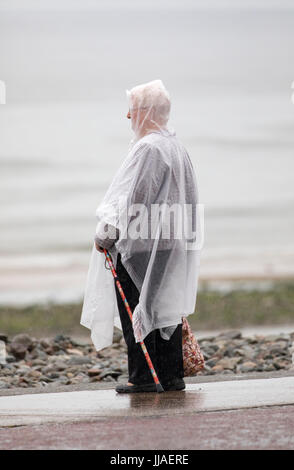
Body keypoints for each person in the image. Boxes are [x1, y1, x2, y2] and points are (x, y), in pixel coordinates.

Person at [81, 79, 202, 393]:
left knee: (138, 306)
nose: (127, 117)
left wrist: (107, 235)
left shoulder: (148, 148)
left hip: (143, 247)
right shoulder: (175, 146)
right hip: (170, 242)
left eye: (132, 110)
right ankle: (172, 375)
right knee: (164, 306)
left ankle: (144, 377)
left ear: (146, 113)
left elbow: (134, 199)